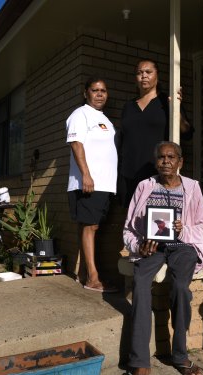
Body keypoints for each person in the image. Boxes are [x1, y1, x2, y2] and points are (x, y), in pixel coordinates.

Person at [120, 141, 203, 375]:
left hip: (183, 247)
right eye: (161, 157)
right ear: (156, 162)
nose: (166, 161)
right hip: (152, 248)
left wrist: (185, 230)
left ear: (180, 162)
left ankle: (180, 356)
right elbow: (129, 228)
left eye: (172, 157)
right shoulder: (145, 186)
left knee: (181, 288)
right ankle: (139, 361)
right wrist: (138, 246)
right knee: (140, 284)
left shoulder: (192, 188)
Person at [117, 58, 194, 207]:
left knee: (156, 222)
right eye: (140, 73)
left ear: (157, 76)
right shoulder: (128, 106)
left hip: (157, 173)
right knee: (131, 223)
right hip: (129, 174)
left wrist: (175, 108)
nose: (144, 75)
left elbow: (187, 132)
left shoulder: (166, 101)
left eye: (148, 72)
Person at [66, 77, 118, 293]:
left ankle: (84, 274)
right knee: (91, 226)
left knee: (92, 226)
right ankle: (93, 278)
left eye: (103, 91)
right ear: (85, 92)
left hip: (105, 185)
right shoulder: (80, 114)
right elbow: (76, 144)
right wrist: (86, 175)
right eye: (95, 90)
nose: (99, 94)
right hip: (89, 183)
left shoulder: (104, 118)